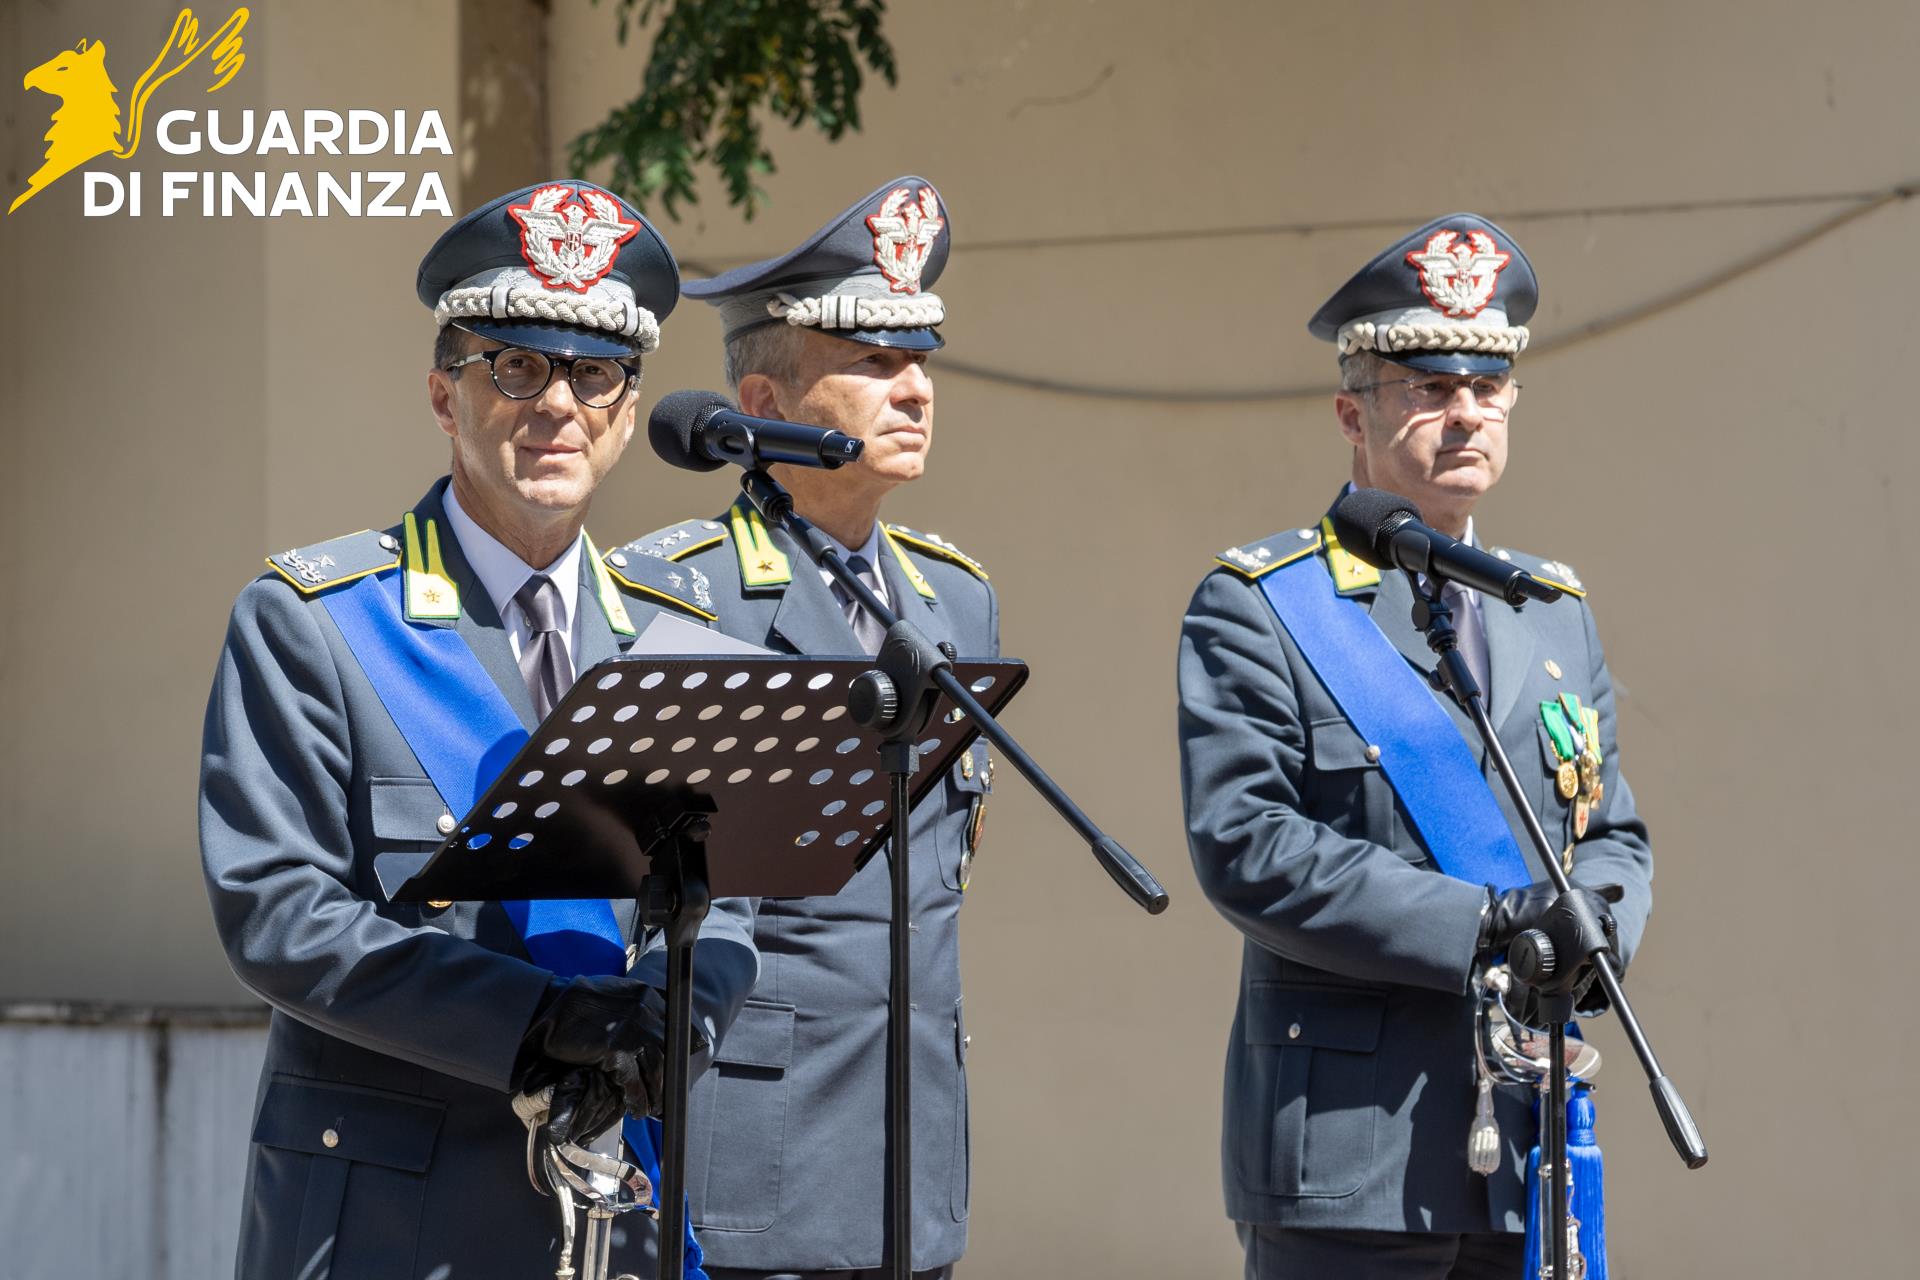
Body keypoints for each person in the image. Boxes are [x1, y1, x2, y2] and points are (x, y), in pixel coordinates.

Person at [199, 180, 759, 1280]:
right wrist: (540, 1020)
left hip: (620, 1203)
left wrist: (677, 1018)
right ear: (444, 395)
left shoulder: (679, 638)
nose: (557, 405)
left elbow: (724, 899)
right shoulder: (316, 622)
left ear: (625, 413)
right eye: (515, 366)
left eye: (594, 374)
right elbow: (278, 913)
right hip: (394, 1216)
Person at [1177, 214, 1654, 1279]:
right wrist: (1483, 922)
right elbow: (1246, 844)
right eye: (1430, 387)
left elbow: (1610, 831)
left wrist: (1596, 932)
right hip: (1350, 1147)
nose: (1466, 413)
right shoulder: (1263, 605)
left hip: (1527, 1141)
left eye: (1488, 386)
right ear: (1353, 412)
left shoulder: (1551, 611)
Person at [602, 176, 993, 1279]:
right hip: (755, 1155)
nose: (915, 389)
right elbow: (655, 889)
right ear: (764, 399)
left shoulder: (958, 600)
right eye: (873, 361)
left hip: (916, 1153)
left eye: (921, 360)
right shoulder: (679, 593)